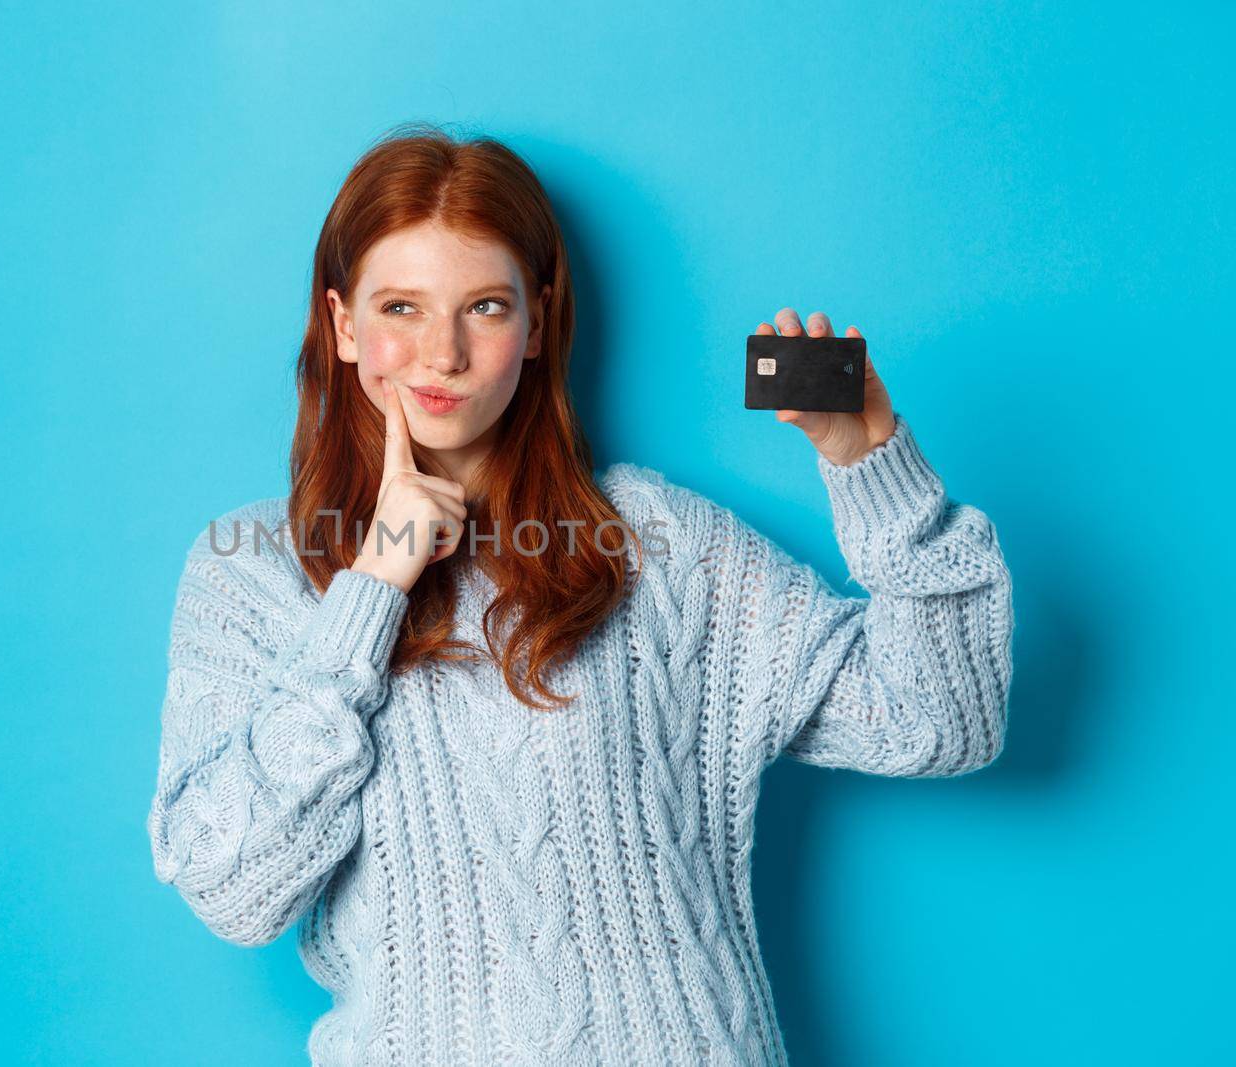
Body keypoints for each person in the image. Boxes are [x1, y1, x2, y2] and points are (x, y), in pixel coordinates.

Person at [146, 122, 1014, 1067]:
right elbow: (230, 889)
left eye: (483, 306)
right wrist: (374, 586)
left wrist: (866, 460)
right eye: (400, 306)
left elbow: (942, 718)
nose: (441, 353)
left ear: (536, 323)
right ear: (344, 323)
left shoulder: (661, 544)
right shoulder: (252, 571)